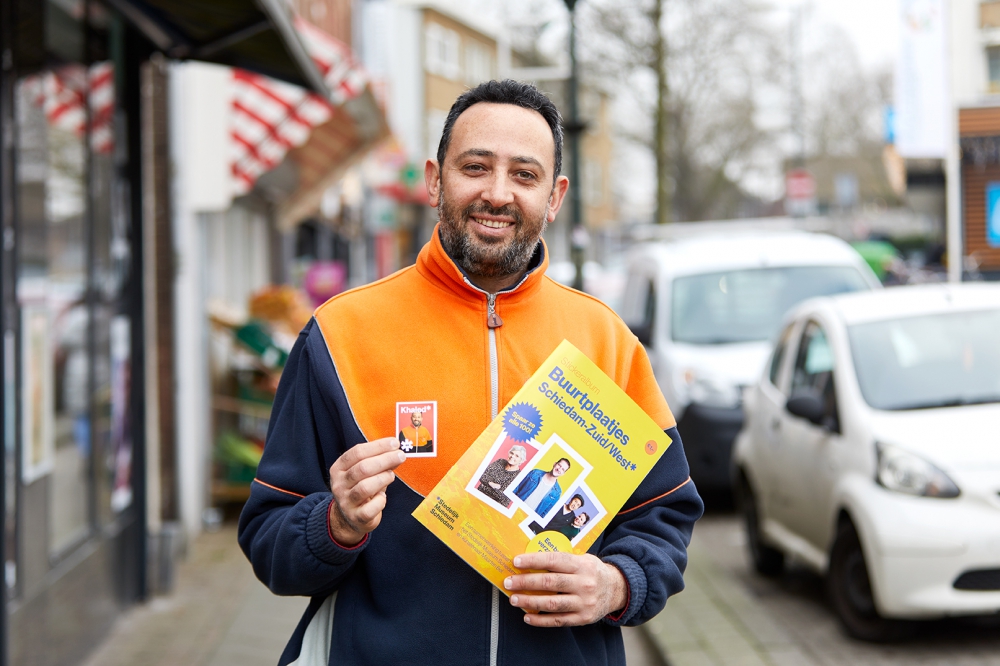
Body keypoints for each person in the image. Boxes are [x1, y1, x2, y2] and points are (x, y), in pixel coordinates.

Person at [238, 79, 703, 666]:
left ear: (555, 197)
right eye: (475, 167)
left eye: (525, 175)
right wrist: (335, 523)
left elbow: (664, 517)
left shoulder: (606, 342)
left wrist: (617, 584)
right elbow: (267, 538)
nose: (498, 193)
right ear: (436, 180)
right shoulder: (339, 334)